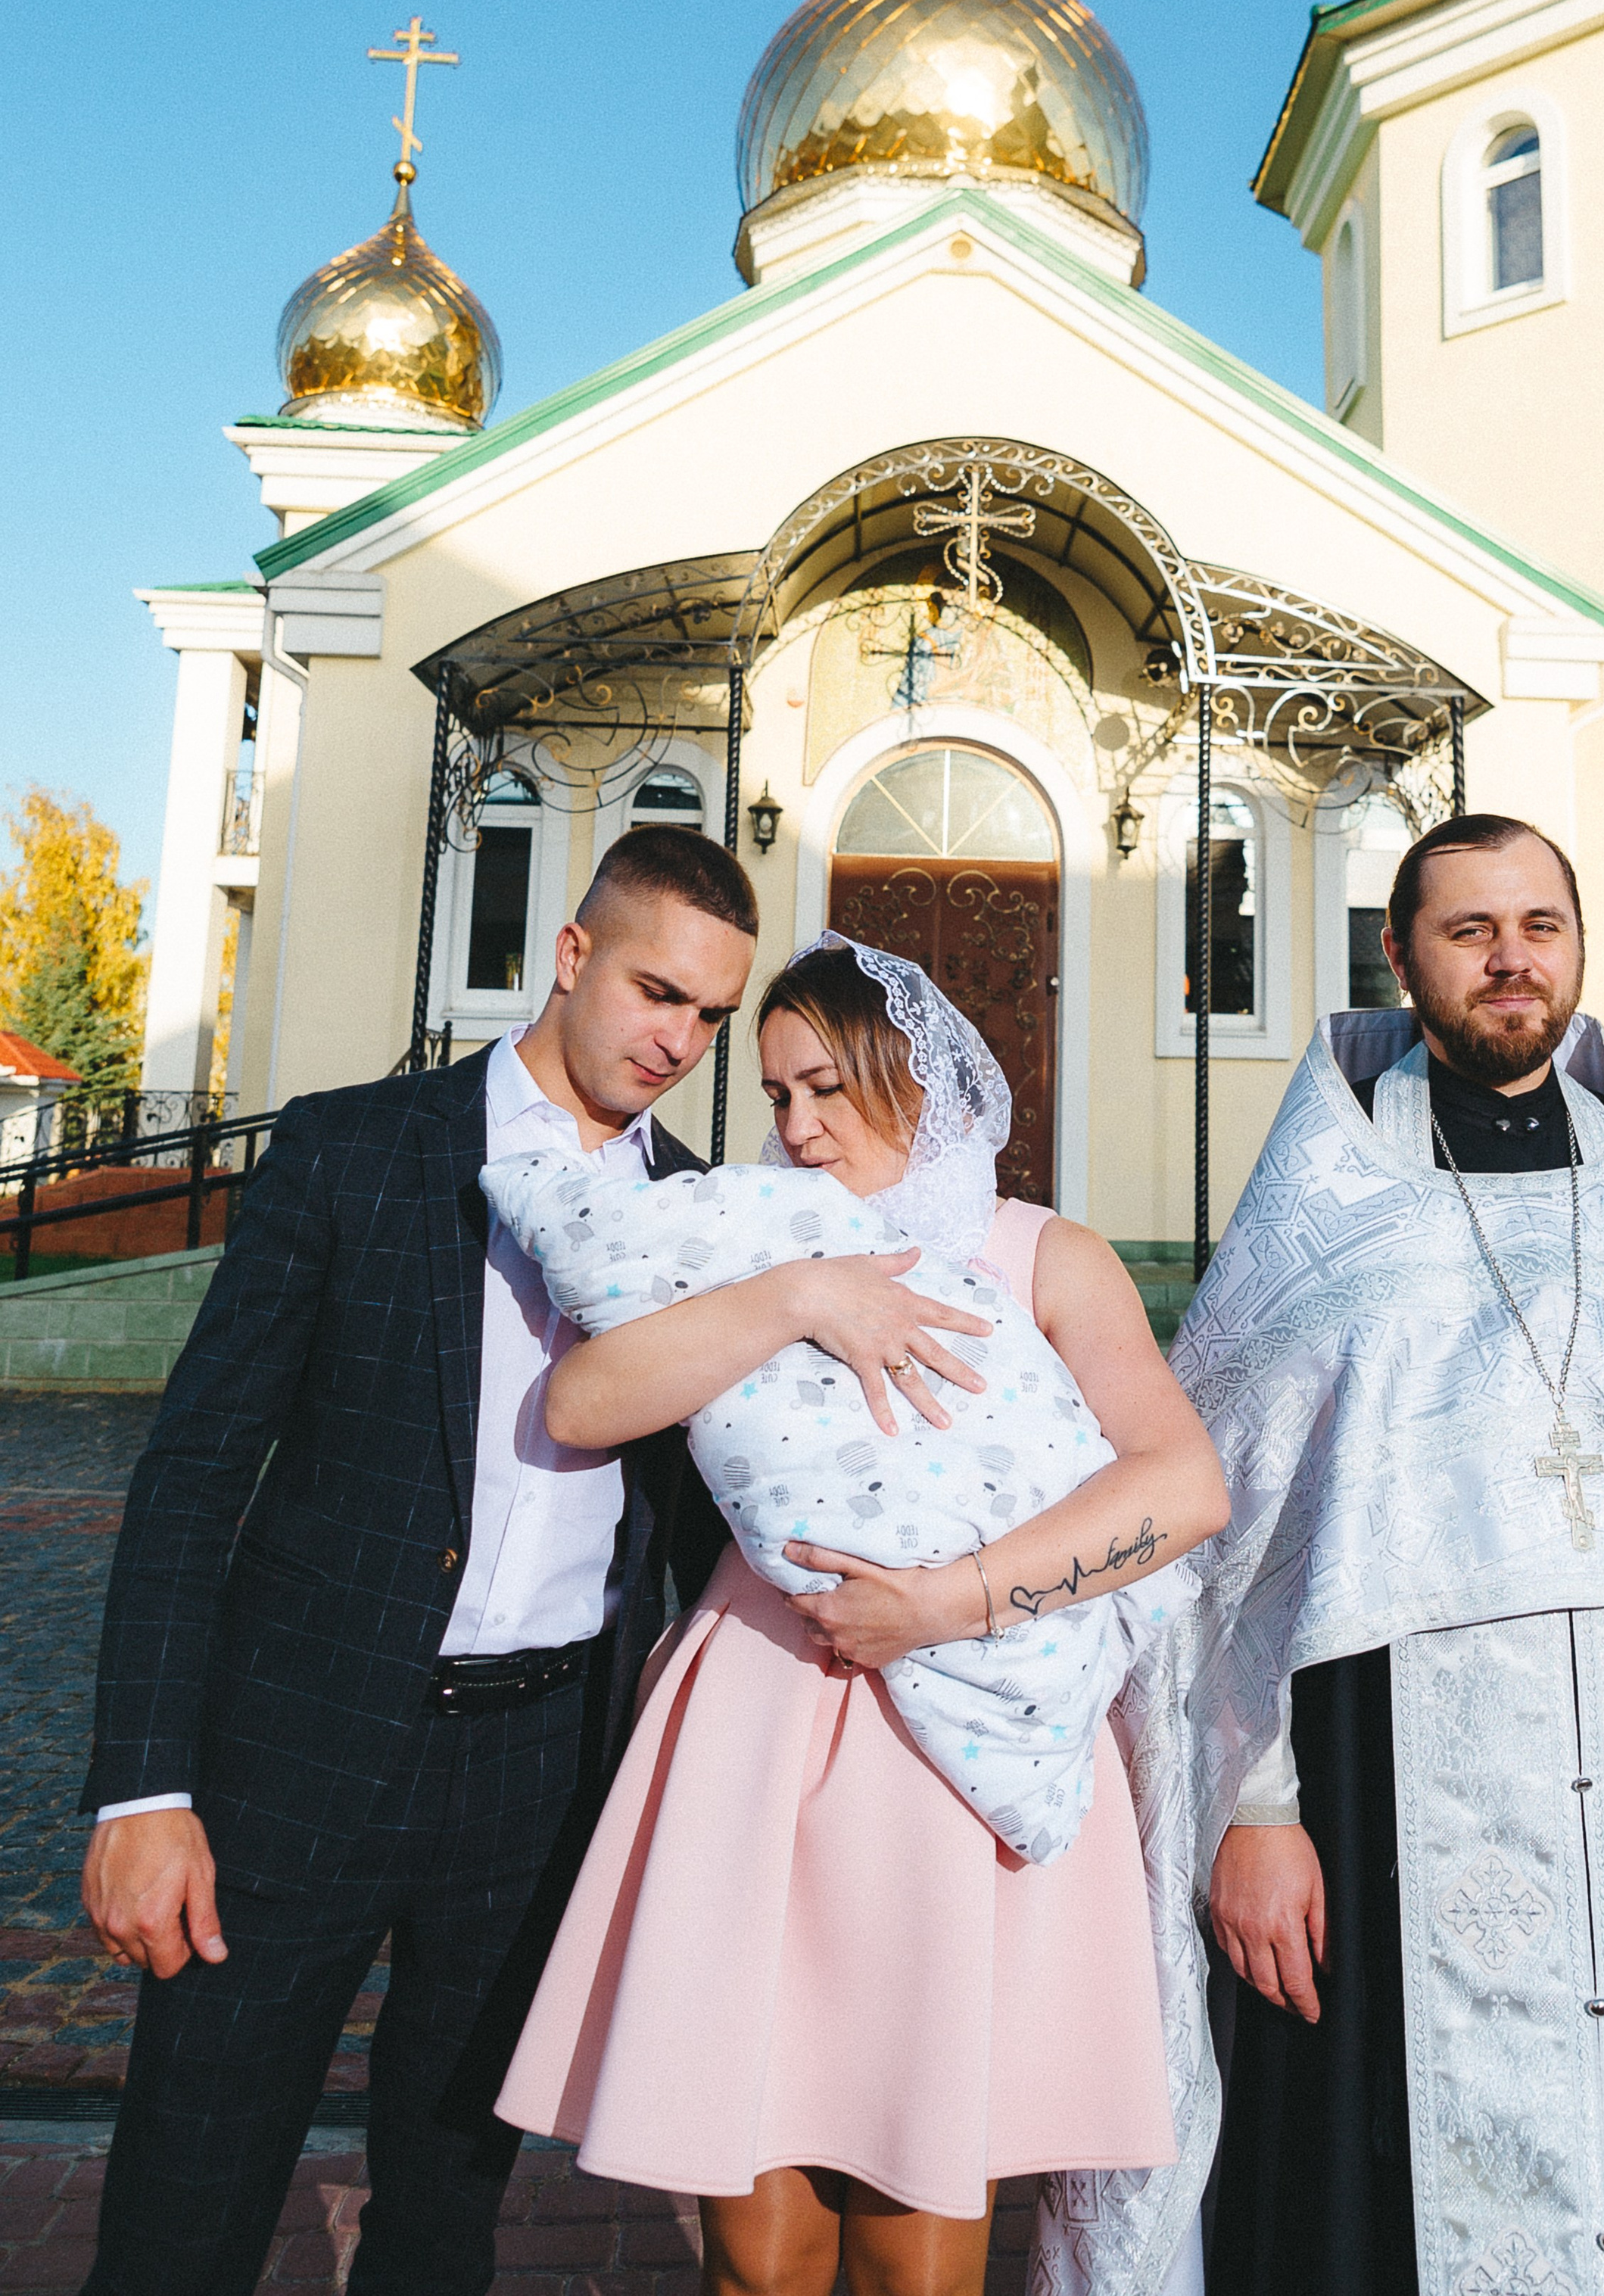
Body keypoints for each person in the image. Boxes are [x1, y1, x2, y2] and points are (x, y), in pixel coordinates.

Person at [1051, 815, 1604, 2296]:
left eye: (1538, 923)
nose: (1510, 958)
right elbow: (1226, 1551)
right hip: (1381, 1807)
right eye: (1468, 930)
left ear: (1578, 946)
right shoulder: (1322, 1217)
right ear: (1396, 955)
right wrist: (1248, 1813)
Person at [76, 831, 972, 2296]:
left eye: (709, 1018)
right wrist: (144, 1787)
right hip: (292, 1756)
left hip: (539, 1772)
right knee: (192, 2184)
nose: (678, 1040)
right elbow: (189, 1475)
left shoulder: (718, 1214)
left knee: (446, 2206)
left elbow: (716, 1525)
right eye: (655, 992)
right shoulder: (352, 1147)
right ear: (571, 957)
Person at [493, 934, 1230, 2296]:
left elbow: (1184, 1487)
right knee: (758, 2244)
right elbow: (582, 1406)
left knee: (919, 2224)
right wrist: (795, 1296)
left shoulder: (1040, 1255)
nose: (797, 1126)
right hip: (762, 1727)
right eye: (774, 1095)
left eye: (825, 1087)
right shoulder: (748, 1232)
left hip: (958, 1768)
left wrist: (952, 1601)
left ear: (914, 1073)